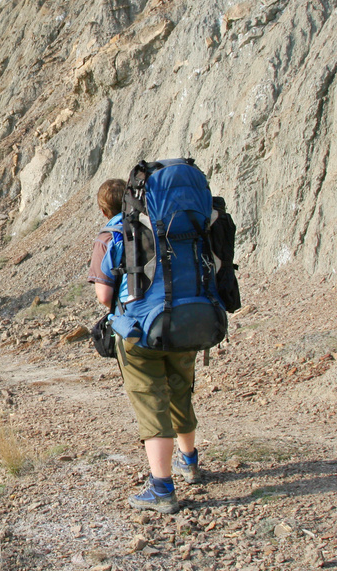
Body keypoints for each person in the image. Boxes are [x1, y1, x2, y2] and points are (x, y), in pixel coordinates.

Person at [91, 179, 201, 515]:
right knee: (181, 391)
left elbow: (105, 297)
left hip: (140, 332)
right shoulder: (167, 226)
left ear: (105, 209)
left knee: (152, 400)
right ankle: (190, 462)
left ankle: (162, 489)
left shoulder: (111, 235)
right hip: (186, 322)